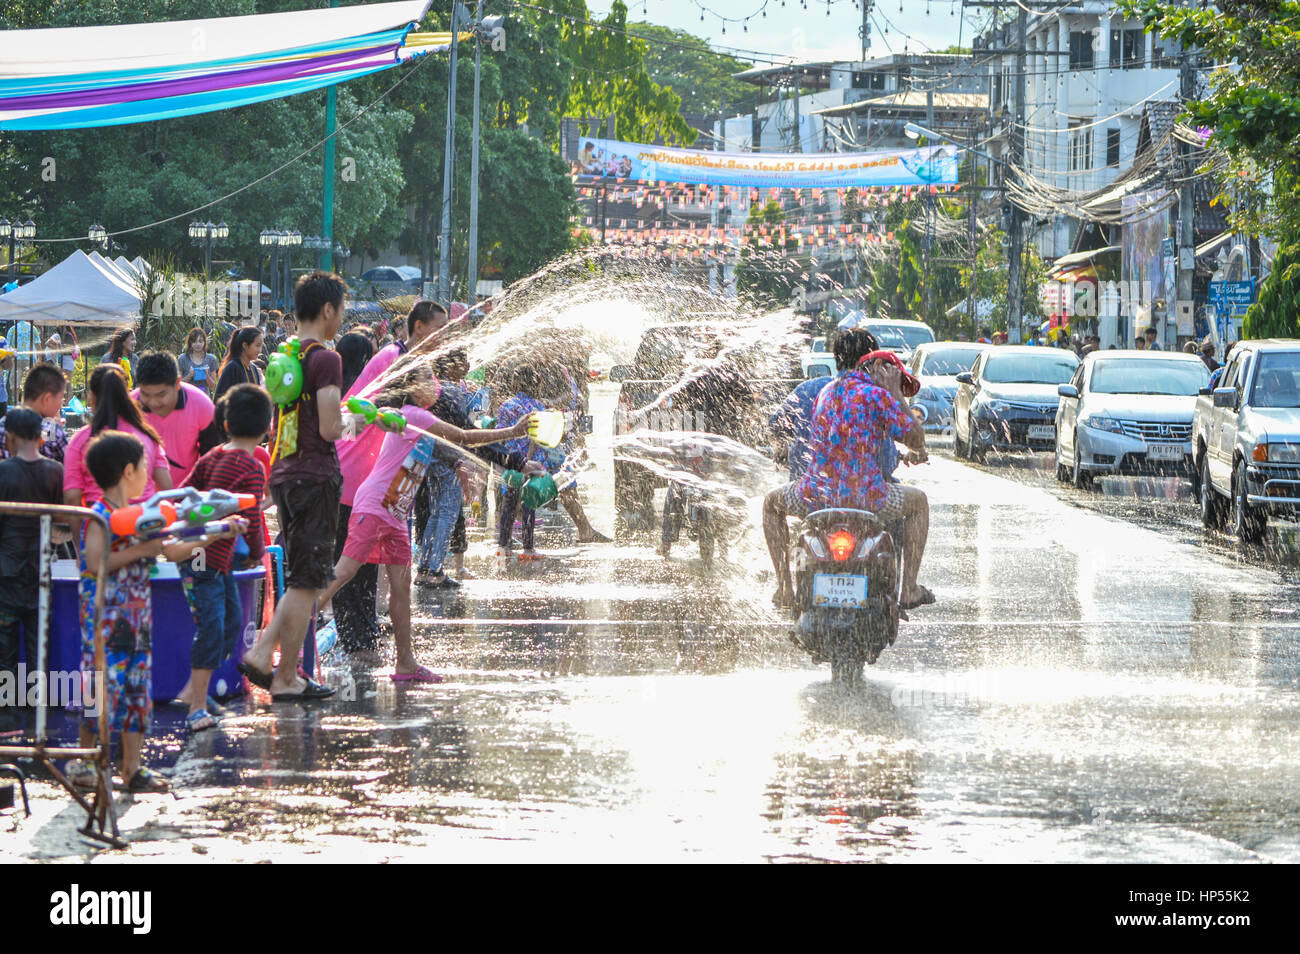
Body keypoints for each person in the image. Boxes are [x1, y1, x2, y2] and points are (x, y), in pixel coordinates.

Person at [316, 368, 532, 680]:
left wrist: (459, 465)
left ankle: (405, 663)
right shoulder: (414, 414)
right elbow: (465, 437)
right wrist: (513, 432)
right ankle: (301, 634)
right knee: (345, 572)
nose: (436, 386)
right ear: (414, 388)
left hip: (395, 513)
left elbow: (447, 448)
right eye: (430, 380)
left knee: (401, 588)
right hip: (376, 506)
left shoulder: (413, 419)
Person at [239, 272, 389, 700]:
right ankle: (263, 651)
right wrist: (362, 420)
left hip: (285, 471)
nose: (341, 320)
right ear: (328, 310)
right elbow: (329, 428)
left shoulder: (287, 354)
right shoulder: (326, 359)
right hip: (314, 476)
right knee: (308, 580)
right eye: (341, 311)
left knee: (303, 577)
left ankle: (287, 676)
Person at [64, 431, 239, 793]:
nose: (148, 473)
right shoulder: (99, 515)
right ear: (129, 471)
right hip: (104, 622)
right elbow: (96, 562)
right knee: (100, 690)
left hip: (136, 620)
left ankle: (132, 769)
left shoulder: (139, 515)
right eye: (144, 465)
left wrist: (217, 531)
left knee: (136, 693)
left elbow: (172, 550)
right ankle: (86, 763)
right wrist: (143, 551)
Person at [763, 329, 933, 611]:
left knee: (771, 504)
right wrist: (895, 394)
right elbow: (916, 440)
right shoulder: (877, 396)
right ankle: (910, 588)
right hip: (869, 498)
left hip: (814, 497)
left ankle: (785, 588)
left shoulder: (825, 392)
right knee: (919, 503)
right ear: (875, 363)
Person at [336, 300, 448, 651]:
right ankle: (354, 637)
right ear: (418, 328)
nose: (445, 336)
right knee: (349, 566)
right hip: (353, 469)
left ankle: (364, 631)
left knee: (366, 565)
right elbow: (362, 415)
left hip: (376, 475)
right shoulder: (392, 359)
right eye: (439, 328)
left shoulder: (415, 364)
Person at [176, 385, 269, 732]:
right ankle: (196, 705)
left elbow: (186, 492)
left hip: (206, 555)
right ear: (265, 428)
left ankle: (193, 690)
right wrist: (257, 553)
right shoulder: (252, 467)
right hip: (206, 558)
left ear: (226, 424)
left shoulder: (213, 455)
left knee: (229, 622)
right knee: (213, 628)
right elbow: (254, 519)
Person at [0, 408, 66, 737]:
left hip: (7, 574)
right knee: (40, 640)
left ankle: (7, 716)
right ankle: (40, 711)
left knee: (5, 646)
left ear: (9, 437)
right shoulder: (55, 472)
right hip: (41, 570)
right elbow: (58, 522)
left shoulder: (3, 473)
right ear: (40, 436)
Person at [64, 364, 171, 507]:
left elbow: (72, 497)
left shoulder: (82, 440)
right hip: (144, 521)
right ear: (126, 394)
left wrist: (83, 529)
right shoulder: (147, 435)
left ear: (92, 397)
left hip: (101, 522)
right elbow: (166, 486)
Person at [133, 351, 221, 489]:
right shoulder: (131, 407)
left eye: (161, 394)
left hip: (186, 496)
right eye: (145, 394)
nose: (153, 402)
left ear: (177, 384)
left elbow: (211, 460)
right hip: (141, 498)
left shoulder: (202, 406)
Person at [0, 363, 68, 463]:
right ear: (47, 399)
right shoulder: (53, 431)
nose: (61, 405)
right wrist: (54, 427)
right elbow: (70, 471)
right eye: (61, 398)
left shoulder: (2, 427)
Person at [214, 326, 265, 401]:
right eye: (257, 346)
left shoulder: (253, 368)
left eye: (261, 346)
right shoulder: (233, 367)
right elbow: (220, 400)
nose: (260, 350)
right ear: (245, 345)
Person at [178, 328, 220, 396]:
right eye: (194, 341)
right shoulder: (182, 359)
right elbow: (178, 385)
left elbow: (213, 387)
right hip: (187, 398)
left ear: (204, 342)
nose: (198, 344)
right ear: (190, 343)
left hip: (204, 398)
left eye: (200, 341)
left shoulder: (211, 359)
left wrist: (206, 375)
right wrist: (189, 375)